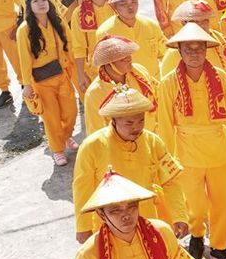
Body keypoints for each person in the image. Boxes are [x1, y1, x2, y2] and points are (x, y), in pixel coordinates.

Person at [156, 23, 226, 259]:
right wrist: (166, 159)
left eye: (199, 48)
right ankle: (197, 235)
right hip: (186, 150)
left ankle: (220, 246)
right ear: (179, 51)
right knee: (195, 203)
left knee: (221, 201)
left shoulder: (220, 76)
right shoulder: (169, 82)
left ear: (206, 50)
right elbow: (165, 122)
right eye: (188, 49)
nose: (194, 53)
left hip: (218, 148)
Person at [74, 86, 187, 242]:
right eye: (129, 123)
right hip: (109, 221)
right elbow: (82, 189)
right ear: (114, 120)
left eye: (141, 120)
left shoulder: (153, 142)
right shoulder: (91, 146)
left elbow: (170, 182)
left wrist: (179, 215)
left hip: (147, 218)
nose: (136, 127)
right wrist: (83, 227)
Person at [16, 0, 78, 166]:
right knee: (51, 118)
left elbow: (70, 45)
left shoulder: (57, 21)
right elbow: (24, 59)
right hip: (41, 81)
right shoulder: (24, 30)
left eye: (44, 0)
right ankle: (57, 149)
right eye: (35, 1)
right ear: (28, 6)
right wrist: (27, 84)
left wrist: (77, 69)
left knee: (71, 111)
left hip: (61, 74)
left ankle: (66, 136)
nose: (41, 3)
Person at [84, 35, 159, 136]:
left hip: (152, 135)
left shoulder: (139, 71)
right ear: (109, 64)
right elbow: (96, 132)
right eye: (122, 59)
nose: (129, 60)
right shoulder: (94, 93)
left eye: (128, 55)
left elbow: (158, 94)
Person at [97, 0, 166, 83]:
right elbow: (103, 68)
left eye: (133, 1)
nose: (130, 7)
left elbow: (165, 53)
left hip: (154, 82)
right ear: (114, 6)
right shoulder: (105, 32)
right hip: (127, 86)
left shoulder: (151, 25)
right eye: (123, 4)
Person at [69, 0, 117, 90]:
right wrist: (81, 75)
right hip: (97, 67)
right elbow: (79, 47)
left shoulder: (117, 3)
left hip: (122, 58)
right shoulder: (78, 14)